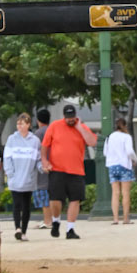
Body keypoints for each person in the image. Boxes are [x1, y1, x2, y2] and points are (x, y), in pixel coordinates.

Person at [41, 102, 95, 239]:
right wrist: (44, 161)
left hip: (76, 170)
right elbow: (45, 145)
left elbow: (92, 142)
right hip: (57, 169)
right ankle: (56, 221)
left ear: (75, 116)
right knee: (55, 199)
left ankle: (70, 229)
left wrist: (80, 128)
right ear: (64, 116)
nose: (70, 119)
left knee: (75, 199)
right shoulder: (54, 126)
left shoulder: (81, 127)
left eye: (72, 117)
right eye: (68, 117)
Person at [2, 113, 42, 240]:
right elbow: (7, 158)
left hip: (28, 178)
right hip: (15, 178)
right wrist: (10, 173)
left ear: (28, 125)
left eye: (22, 123)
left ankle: (23, 231)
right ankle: (17, 228)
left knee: (26, 206)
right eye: (18, 123)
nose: (19, 126)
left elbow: (38, 159)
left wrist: (42, 168)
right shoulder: (11, 139)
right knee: (17, 204)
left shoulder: (35, 141)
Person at [105, 115, 137, 224]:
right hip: (124, 165)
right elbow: (129, 151)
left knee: (115, 193)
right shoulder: (126, 137)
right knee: (125, 193)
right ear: (124, 126)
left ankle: (115, 218)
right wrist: (135, 159)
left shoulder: (109, 137)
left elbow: (105, 152)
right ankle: (125, 218)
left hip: (112, 165)